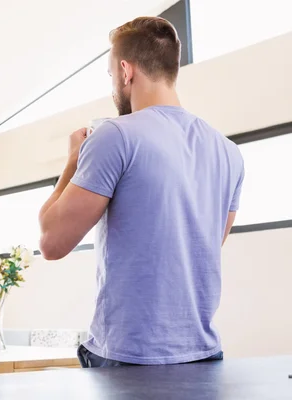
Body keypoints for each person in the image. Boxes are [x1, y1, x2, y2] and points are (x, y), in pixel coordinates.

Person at [38, 16, 244, 367]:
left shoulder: (115, 136)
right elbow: (205, 242)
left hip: (131, 359)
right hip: (203, 355)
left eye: (109, 76)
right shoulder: (227, 150)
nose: (113, 85)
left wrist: (73, 160)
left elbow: (51, 242)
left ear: (125, 70)